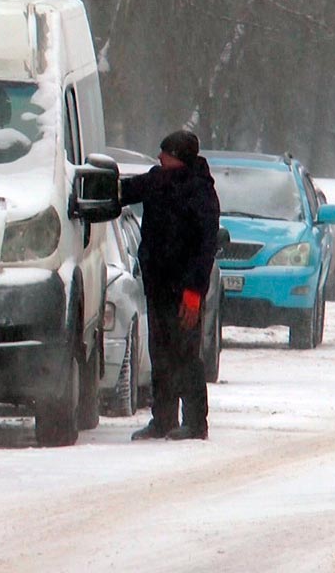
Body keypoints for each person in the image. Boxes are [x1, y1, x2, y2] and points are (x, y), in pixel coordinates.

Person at [120, 130, 221, 440]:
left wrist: (194, 293)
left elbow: (204, 249)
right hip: (158, 285)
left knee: (186, 354)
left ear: (179, 156)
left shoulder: (201, 193)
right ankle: (162, 419)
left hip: (185, 292)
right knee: (160, 353)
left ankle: (195, 422)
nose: (159, 158)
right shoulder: (157, 180)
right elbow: (123, 192)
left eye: (165, 153)